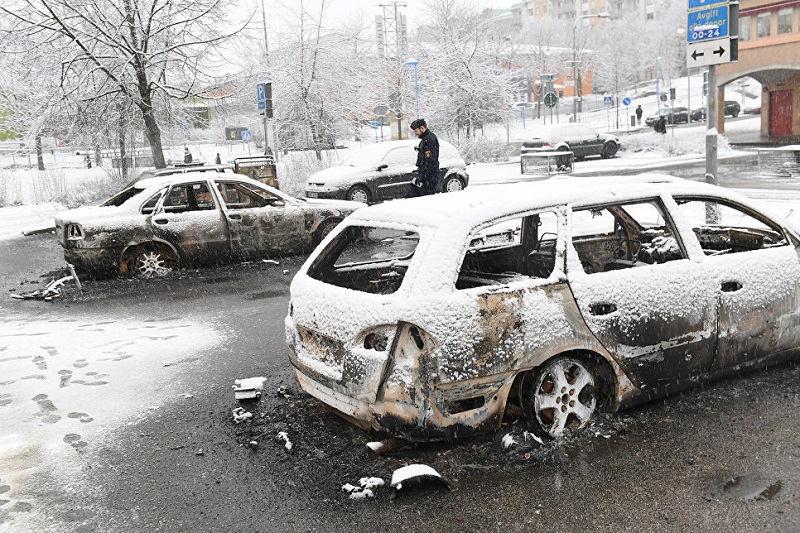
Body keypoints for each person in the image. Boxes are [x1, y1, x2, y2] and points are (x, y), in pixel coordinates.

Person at [406, 118, 440, 198]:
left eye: (416, 131)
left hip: (429, 177)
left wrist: (423, 176)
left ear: (422, 128)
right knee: (410, 197)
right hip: (423, 174)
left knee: (423, 200)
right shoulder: (424, 140)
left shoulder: (430, 140)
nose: (415, 133)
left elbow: (431, 161)